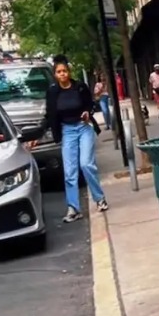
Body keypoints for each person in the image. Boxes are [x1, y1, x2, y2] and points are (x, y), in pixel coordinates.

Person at [46, 55, 109, 223]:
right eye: (59, 72)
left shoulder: (80, 87)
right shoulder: (52, 92)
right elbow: (49, 115)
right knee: (70, 171)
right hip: (67, 131)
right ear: (55, 74)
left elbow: (91, 104)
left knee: (86, 164)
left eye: (64, 71)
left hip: (83, 128)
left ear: (69, 71)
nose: (62, 74)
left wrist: (88, 112)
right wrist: (36, 135)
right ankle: (73, 208)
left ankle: (99, 198)